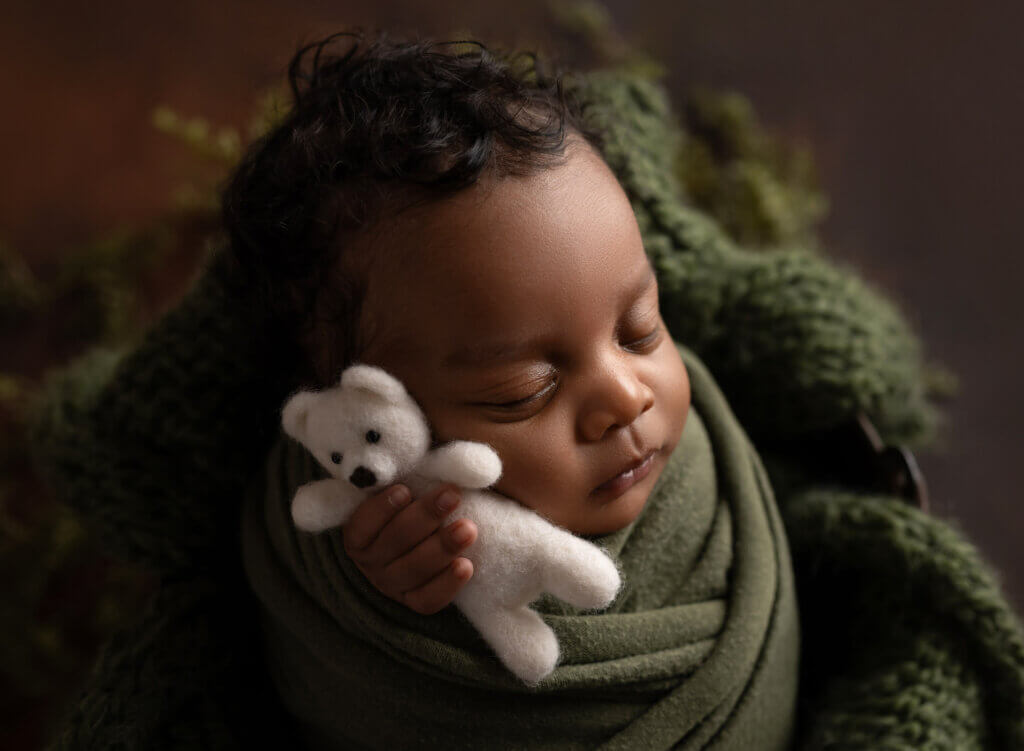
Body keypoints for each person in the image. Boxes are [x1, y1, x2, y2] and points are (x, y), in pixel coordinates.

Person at [35, 30, 1024, 751]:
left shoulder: (708, 444)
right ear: (373, 411)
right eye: (520, 389)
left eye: (640, 325)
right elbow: (321, 659)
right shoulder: (347, 507)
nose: (623, 397)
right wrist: (382, 582)